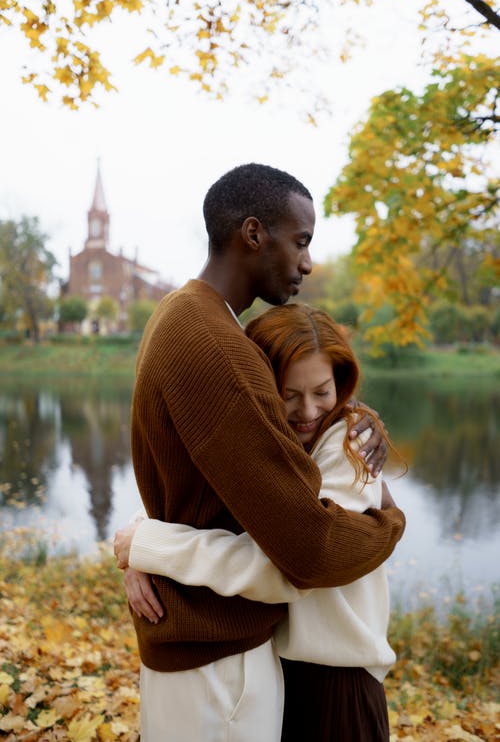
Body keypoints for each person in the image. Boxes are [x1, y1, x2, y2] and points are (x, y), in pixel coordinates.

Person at [122, 162, 405, 741]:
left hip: (206, 643)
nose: (307, 261)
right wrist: (390, 524)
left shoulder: (182, 316)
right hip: (216, 660)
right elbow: (309, 549)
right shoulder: (216, 344)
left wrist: (145, 546)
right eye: (301, 241)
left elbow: (192, 482)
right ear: (253, 234)